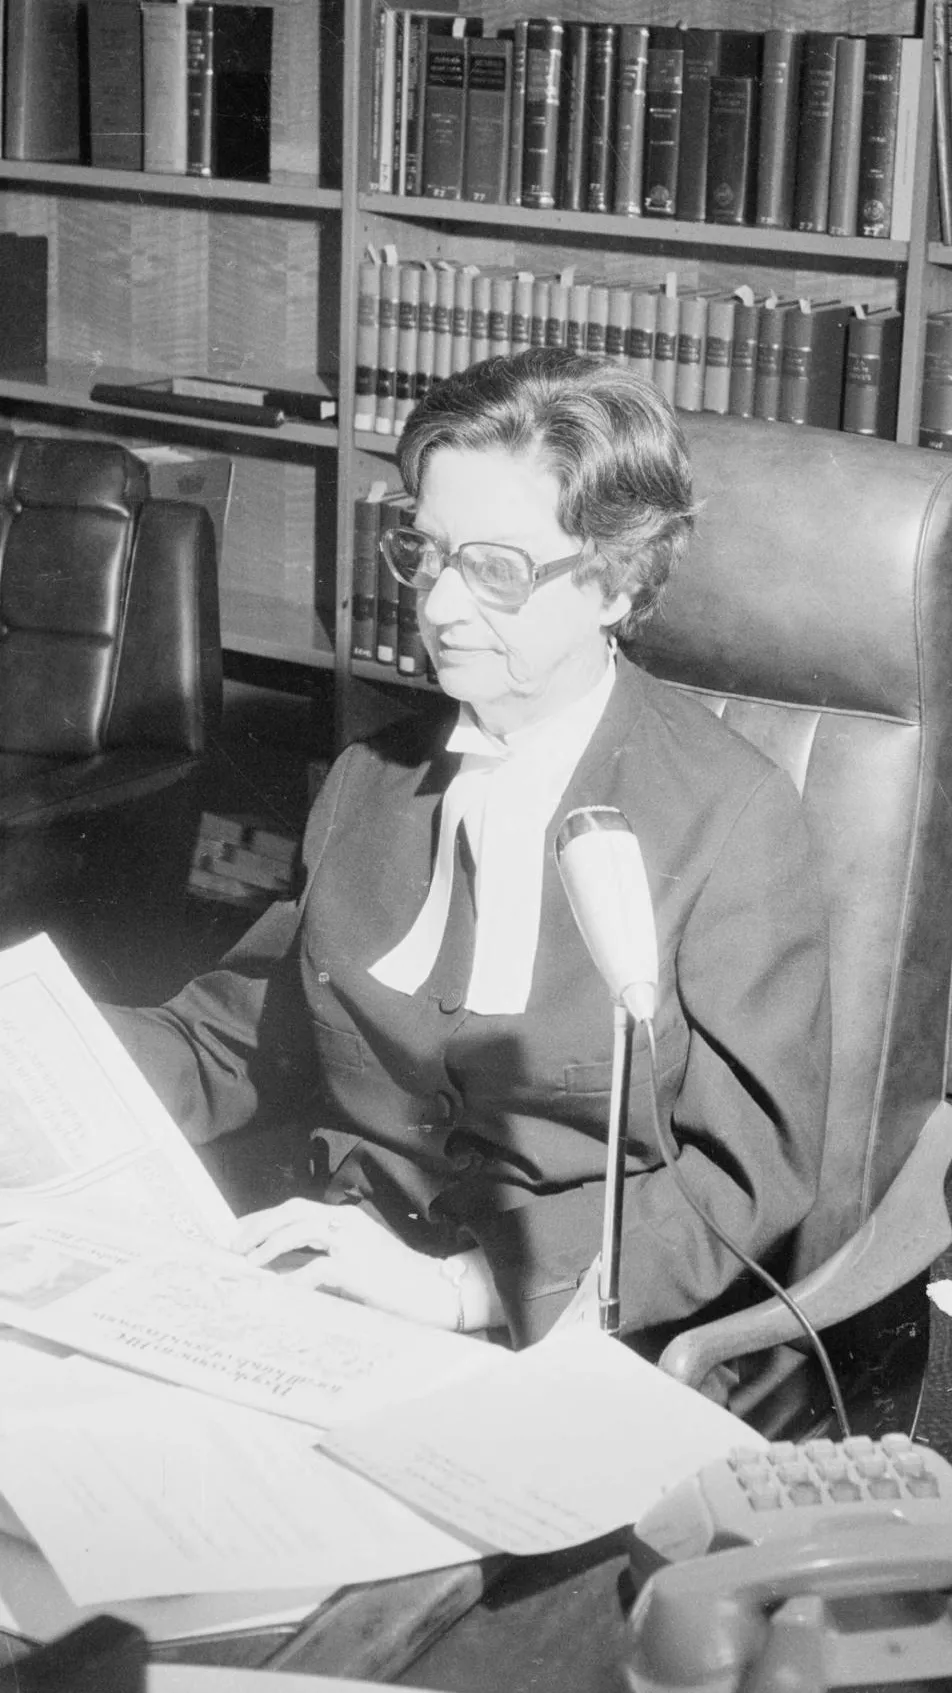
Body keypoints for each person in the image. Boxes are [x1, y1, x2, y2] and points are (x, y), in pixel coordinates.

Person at [106, 348, 831, 1349]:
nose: (440, 606)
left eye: (495, 568)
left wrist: (461, 1291)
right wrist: (45, 1066)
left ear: (618, 581)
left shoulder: (732, 818)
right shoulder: (371, 775)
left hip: (564, 1327)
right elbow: (238, 1039)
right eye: (428, 550)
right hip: (328, 1279)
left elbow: (747, 1175)